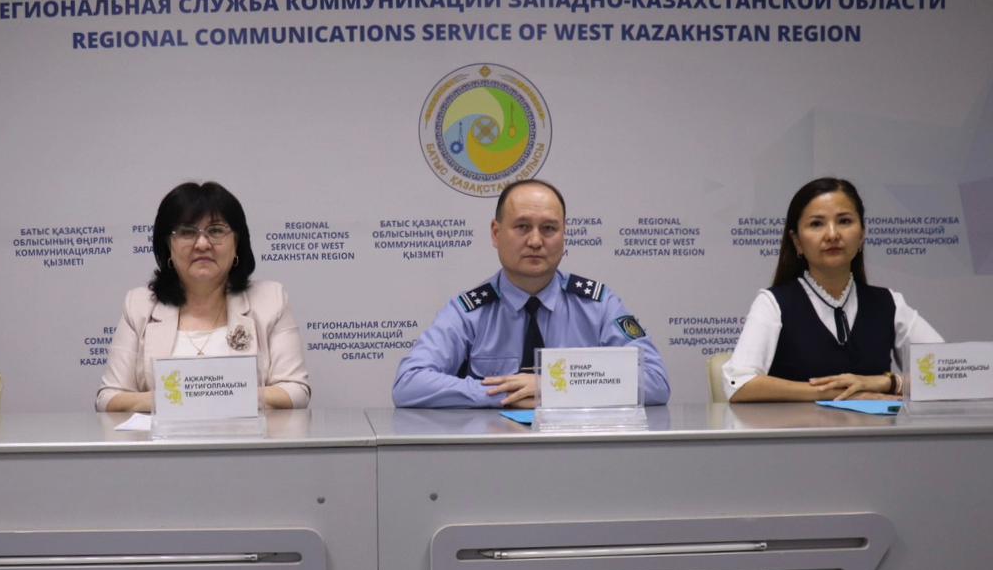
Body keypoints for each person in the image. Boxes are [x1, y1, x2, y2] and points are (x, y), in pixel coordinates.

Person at [392, 179, 670, 408]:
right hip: (491, 450)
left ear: (564, 235)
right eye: (522, 227)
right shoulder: (469, 311)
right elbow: (409, 383)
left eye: (549, 228)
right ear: (496, 233)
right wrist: (506, 394)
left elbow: (655, 381)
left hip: (579, 450)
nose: (535, 241)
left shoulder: (599, 305)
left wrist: (554, 386)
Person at [96, 181, 310, 412]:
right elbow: (109, 398)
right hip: (163, 437)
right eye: (187, 232)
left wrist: (205, 395)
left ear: (237, 243)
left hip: (246, 436)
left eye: (216, 231)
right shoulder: (139, 305)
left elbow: (295, 391)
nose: (202, 244)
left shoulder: (270, 300)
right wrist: (175, 398)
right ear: (168, 246)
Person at [723, 177, 942, 401]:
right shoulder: (774, 303)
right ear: (797, 241)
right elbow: (738, 384)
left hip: (876, 425)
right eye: (816, 224)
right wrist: (838, 393)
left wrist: (888, 383)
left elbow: (949, 373)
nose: (832, 235)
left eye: (844, 221)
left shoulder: (888, 303)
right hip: (799, 425)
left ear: (862, 234)